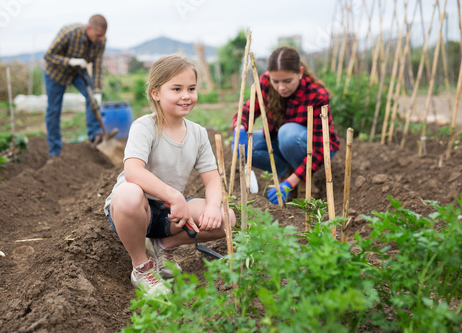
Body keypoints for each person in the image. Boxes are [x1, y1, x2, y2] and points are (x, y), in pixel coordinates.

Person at [104, 54, 236, 296]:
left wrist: (213, 207)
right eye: (177, 89)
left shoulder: (197, 133)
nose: (186, 95)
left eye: (191, 89)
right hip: (134, 211)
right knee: (129, 194)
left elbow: (212, 178)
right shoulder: (145, 127)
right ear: (156, 93)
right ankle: (142, 267)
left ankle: (163, 247)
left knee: (227, 218)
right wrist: (176, 197)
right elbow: (133, 171)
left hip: (168, 214)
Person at [232, 46, 340, 205]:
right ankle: (286, 172)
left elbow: (321, 147)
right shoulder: (265, 83)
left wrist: (291, 183)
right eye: (276, 81)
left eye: (287, 81)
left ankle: (301, 181)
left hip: (313, 148)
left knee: (287, 133)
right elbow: (247, 111)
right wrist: (240, 128)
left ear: (300, 73)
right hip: (281, 143)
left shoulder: (317, 94)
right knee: (245, 146)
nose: (281, 87)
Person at [43, 14, 107, 161]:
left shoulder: (100, 41)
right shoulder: (69, 32)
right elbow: (49, 56)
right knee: (53, 110)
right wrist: (70, 61)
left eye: (102, 36)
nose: (100, 39)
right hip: (56, 74)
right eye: (98, 35)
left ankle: (94, 135)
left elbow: (98, 66)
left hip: (78, 73)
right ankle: (54, 151)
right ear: (89, 28)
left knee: (92, 100)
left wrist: (97, 92)